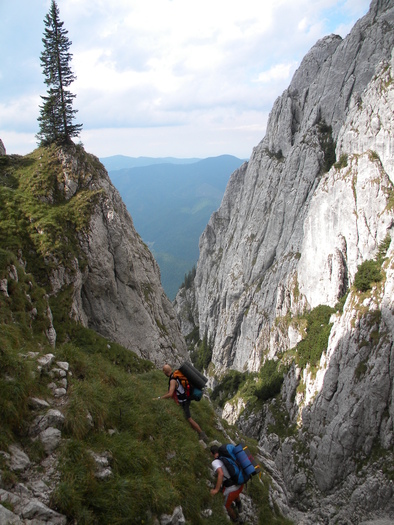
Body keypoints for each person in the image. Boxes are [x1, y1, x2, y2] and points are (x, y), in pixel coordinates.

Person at [156, 364, 208, 442]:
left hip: (184, 401)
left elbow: (170, 394)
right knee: (183, 414)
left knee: (189, 419)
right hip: (186, 398)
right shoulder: (176, 374)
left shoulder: (172, 380)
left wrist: (160, 398)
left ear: (164, 372)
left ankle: (202, 434)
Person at [210, 445, 243, 523]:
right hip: (240, 483)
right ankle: (239, 505)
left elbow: (220, 474)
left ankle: (236, 520)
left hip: (233, 489)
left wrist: (216, 490)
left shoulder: (215, 462)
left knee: (226, 506)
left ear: (212, 454)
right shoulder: (226, 457)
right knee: (233, 492)